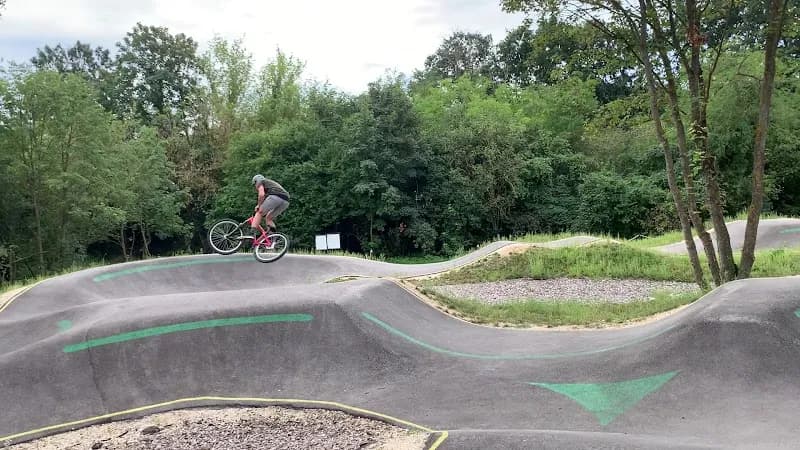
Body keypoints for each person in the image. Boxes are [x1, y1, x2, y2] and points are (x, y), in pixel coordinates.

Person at [246, 174, 290, 239]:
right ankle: (273, 238)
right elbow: (265, 199)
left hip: (276, 196)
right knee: (269, 218)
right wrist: (259, 205)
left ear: (256, 181)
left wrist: (259, 206)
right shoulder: (270, 185)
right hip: (286, 200)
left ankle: (252, 234)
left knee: (259, 212)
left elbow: (261, 195)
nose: (255, 186)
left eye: (254, 184)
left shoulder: (260, 182)